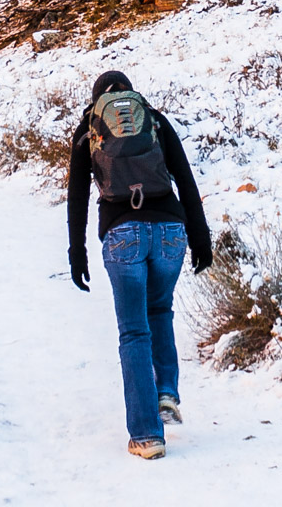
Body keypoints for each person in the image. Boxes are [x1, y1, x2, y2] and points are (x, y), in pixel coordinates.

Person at [67, 70, 213, 460]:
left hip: (122, 234)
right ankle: (166, 392)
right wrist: (201, 239)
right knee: (160, 310)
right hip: (169, 231)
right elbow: (185, 179)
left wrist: (76, 252)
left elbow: (77, 197)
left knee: (134, 332)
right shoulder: (155, 120)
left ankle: (147, 435)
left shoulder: (89, 129)